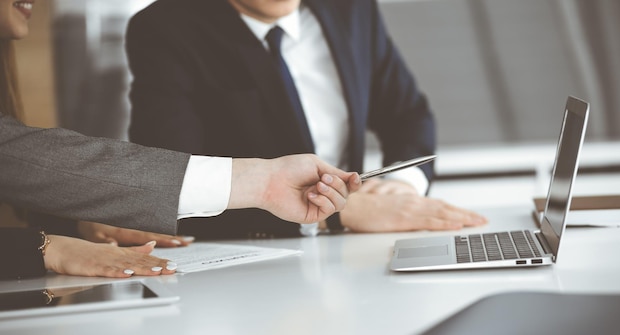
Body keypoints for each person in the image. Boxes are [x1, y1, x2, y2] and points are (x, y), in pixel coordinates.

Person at [0, 0, 361, 279]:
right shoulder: (165, 26)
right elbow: (15, 160)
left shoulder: (351, 13)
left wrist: (70, 228)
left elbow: (19, 168)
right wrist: (44, 248)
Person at [126, 0, 487, 239]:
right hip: (253, 259)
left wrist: (402, 186)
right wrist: (338, 213)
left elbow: (407, 115)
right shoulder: (164, 28)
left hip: (356, 245)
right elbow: (171, 181)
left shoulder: (352, 9)